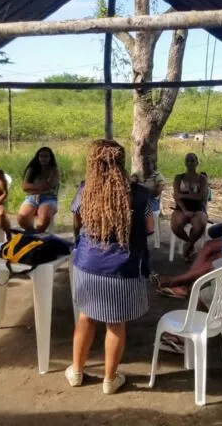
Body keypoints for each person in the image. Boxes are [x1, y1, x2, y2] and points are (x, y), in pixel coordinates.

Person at [66, 140, 154, 394]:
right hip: (122, 269)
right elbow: (149, 227)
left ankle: (77, 372)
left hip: (87, 265)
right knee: (115, 324)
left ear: (92, 164)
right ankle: (109, 379)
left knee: (86, 317)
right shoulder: (139, 194)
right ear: (121, 162)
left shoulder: (85, 191)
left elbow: (77, 219)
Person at [170, 153, 208, 261]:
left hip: (198, 208)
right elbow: (176, 197)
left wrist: (183, 195)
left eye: (193, 160)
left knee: (199, 224)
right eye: (188, 160)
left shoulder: (202, 179)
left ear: (197, 162)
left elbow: (200, 197)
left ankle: (188, 246)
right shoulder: (178, 178)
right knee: (176, 225)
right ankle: (190, 244)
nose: (190, 163)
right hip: (182, 207)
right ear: (185, 163)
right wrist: (185, 211)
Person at [17, 146, 60, 233]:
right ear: (38, 157)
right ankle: (34, 234)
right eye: (41, 156)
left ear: (50, 158)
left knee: (44, 217)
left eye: (46, 156)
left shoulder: (54, 170)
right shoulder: (32, 169)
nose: (43, 158)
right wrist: (40, 188)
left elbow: (48, 186)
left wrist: (32, 187)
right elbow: (24, 186)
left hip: (48, 198)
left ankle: (38, 235)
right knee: (21, 217)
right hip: (31, 198)